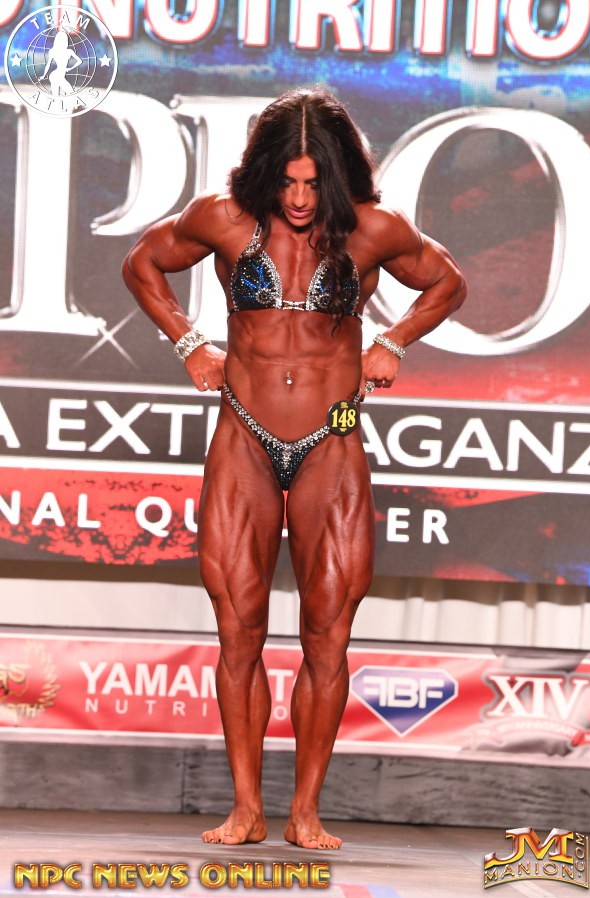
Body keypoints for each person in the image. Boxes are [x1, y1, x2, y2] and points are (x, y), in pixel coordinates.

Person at [122, 87, 466, 850]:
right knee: (238, 631)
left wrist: (394, 340)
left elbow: (448, 280)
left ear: (336, 176)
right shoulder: (223, 219)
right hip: (243, 432)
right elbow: (142, 262)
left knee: (328, 634)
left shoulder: (371, 228)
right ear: (266, 173)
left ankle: (305, 811)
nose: (302, 198)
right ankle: (246, 808)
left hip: (333, 434)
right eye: (288, 182)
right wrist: (190, 342)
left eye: (314, 183)